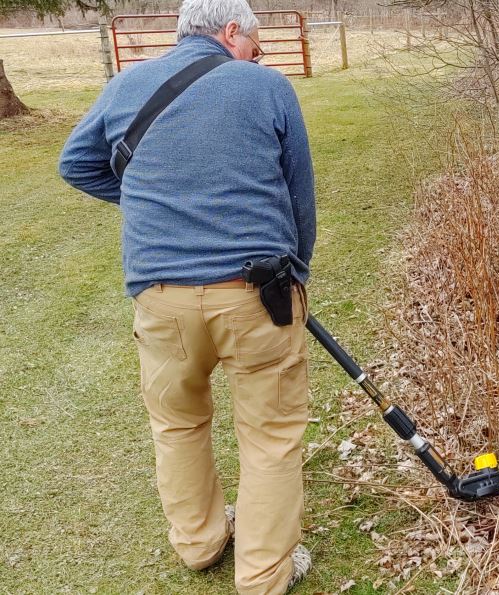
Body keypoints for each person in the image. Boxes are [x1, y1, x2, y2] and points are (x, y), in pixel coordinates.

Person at [58, 0, 315, 592]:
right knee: (271, 435)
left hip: (161, 297)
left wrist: (158, 205)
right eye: (254, 41)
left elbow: (77, 164)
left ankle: (199, 544)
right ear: (231, 31)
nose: (258, 52)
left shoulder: (127, 84)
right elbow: (299, 195)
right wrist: (297, 269)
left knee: (177, 424)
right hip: (257, 294)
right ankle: (263, 574)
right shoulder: (267, 88)